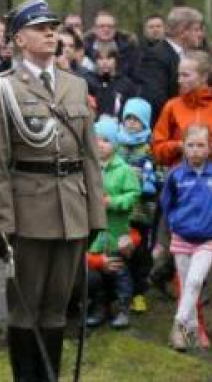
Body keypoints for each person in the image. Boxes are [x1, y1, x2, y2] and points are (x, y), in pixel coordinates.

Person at [0, 0, 105, 381]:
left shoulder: (73, 84)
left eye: (53, 28)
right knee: (26, 309)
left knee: (57, 306)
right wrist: (1, 224)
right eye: (40, 29)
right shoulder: (1, 90)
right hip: (27, 214)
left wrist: (95, 214)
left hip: (72, 211)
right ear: (19, 39)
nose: (50, 34)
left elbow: (89, 156)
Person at [152, 50, 212, 344]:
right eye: (179, 74)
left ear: (204, 76)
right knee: (185, 265)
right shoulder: (172, 107)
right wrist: (181, 147)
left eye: (185, 74)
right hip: (184, 197)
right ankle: (193, 325)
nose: (180, 79)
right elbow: (157, 147)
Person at [160, 124, 212, 351]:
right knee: (187, 285)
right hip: (182, 236)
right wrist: (174, 223)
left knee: (195, 281)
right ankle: (190, 331)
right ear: (183, 147)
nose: (196, 150)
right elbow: (166, 202)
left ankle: (177, 325)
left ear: (210, 148)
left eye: (201, 145)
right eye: (191, 145)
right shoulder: (175, 174)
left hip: (207, 238)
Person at [85, 118, 141, 329]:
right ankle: (99, 308)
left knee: (119, 273)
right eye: (96, 139)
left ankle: (123, 308)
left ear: (116, 144)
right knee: (97, 276)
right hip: (95, 236)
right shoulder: (88, 168)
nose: (100, 144)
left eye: (106, 140)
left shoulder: (124, 170)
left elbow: (134, 195)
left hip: (117, 233)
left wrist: (114, 202)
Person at [116, 98, 160, 313]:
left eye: (137, 120)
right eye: (128, 118)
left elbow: (160, 175)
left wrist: (148, 178)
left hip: (141, 212)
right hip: (119, 210)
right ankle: (119, 292)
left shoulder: (150, 148)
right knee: (118, 250)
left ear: (145, 122)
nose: (132, 123)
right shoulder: (116, 145)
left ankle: (139, 293)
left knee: (140, 253)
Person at [135, 6, 206, 124]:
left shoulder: (196, 54)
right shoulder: (155, 57)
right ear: (183, 31)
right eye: (196, 30)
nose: (201, 34)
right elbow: (156, 99)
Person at [85, 42, 136, 119]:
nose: (104, 62)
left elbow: (131, 110)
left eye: (109, 58)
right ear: (95, 61)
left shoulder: (126, 84)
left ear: (116, 60)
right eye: (101, 58)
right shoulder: (88, 82)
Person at [83, 11, 139, 79]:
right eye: (102, 26)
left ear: (115, 29)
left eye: (110, 26)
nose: (106, 29)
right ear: (94, 29)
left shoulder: (128, 47)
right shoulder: (84, 48)